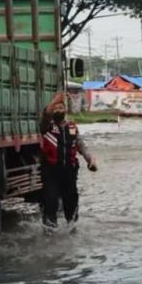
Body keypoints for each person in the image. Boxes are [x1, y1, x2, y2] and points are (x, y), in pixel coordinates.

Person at [40, 93, 97, 229]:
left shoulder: (72, 127)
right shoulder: (47, 127)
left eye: (61, 108)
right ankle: (49, 228)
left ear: (65, 110)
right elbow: (46, 114)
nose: (58, 111)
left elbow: (80, 145)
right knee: (51, 200)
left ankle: (72, 227)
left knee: (71, 201)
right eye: (56, 109)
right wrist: (54, 102)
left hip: (69, 171)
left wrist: (90, 159)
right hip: (51, 171)